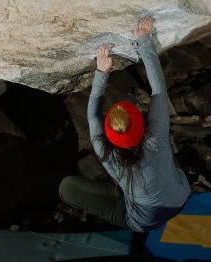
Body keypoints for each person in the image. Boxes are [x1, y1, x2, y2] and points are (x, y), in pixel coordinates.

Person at [58, 17, 191, 232]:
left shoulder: (125, 147)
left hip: (148, 218)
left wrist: (103, 72)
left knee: (66, 189)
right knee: (160, 152)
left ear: (111, 134)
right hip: (177, 194)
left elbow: (94, 115)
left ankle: (124, 193)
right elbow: (158, 91)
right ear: (141, 123)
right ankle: (129, 189)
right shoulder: (142, 140)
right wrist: (143, 42)